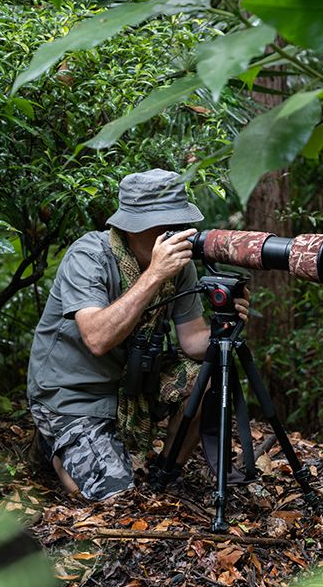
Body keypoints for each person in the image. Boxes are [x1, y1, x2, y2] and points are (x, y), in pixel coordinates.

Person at [27, 169, 248, 501]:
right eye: (163, 225)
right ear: (133, 227)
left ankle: (165, 474)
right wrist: (154, 275)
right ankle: (53, 444)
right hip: (74, 392)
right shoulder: (89, 256)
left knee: (208, 378)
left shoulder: (180, 267)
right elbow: (98, 338)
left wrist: (226, 324)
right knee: (111, 497)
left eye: (177, 224)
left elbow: (192, 342)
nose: (173, 234)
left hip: (133, 383)